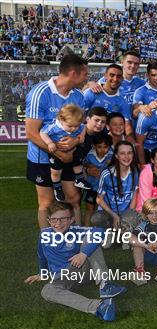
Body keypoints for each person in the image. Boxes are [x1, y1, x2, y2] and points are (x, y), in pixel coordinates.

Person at [24, 202, 126, 322]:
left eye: (63, 219)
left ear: (72, 219)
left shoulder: (76, 231)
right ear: (48, 220)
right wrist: (43, 273)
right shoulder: (44, 234)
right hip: (63, 277)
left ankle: (105, 284)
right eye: (54, 219)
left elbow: (99, 232)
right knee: (47, 291)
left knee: (91, 239)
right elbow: (41, 255)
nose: (58, 223)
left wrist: (84, 253)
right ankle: (99, 306)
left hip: (81, 269)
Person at [25, 54, 88, 228]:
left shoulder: (79, 96)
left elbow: (83, 129)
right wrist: (59, 152)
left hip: (69, 156)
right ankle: (47, 245)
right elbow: (31, 133)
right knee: (47, 202)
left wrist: (74, 142)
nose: (87, 78)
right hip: (42, 158)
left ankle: (75, 238)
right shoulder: (40, 92)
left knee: (74, 198)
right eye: (85, 74)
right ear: (73, 73)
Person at [91, 141, 140, 246]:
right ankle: (108, 231)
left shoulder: (136, 172)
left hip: (125, 210)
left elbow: (134, 195)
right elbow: (99, 199)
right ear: (116, 156)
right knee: (96, 218)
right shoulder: (107, 173)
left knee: (133, 216)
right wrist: (114, 215)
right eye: (122, 153)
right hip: (108, 212)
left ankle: (125, 234)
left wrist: (128, 216)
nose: (126, 157)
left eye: (129, 153)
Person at [40, 104, 92, 201]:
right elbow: (42, 133)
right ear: (61, 120)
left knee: (78, 161)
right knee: (56, 172)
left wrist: (82, 136)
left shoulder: (78, 126)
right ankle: (57, 187)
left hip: (72, 150)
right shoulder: (54, 127)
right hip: (56, 152)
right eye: (70, 126)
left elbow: (83, 127)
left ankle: (79, 179)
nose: (73, 129)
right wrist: (50, 143)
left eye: (76, 126)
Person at [83, 64, 132, 134]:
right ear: (105, 76)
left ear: (122, 79)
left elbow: (127, 125)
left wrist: (130, 140)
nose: (115, 79)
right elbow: (79, 115)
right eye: (112, 75)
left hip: (106, 139)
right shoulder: (92, 92)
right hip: (86, 134)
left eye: (118, 76)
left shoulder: (123, 101)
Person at [82, 133, 113, 226]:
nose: (103, 149)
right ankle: (87, 231)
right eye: (99, 147)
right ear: (94, 146)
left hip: (105, 188)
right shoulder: (90, 155)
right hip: (91, 186)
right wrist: (89, 166)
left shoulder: (112, 155)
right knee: (89, 209)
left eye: (105, 147)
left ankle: (102, 231)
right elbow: (83, 163)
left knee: (104, 209)